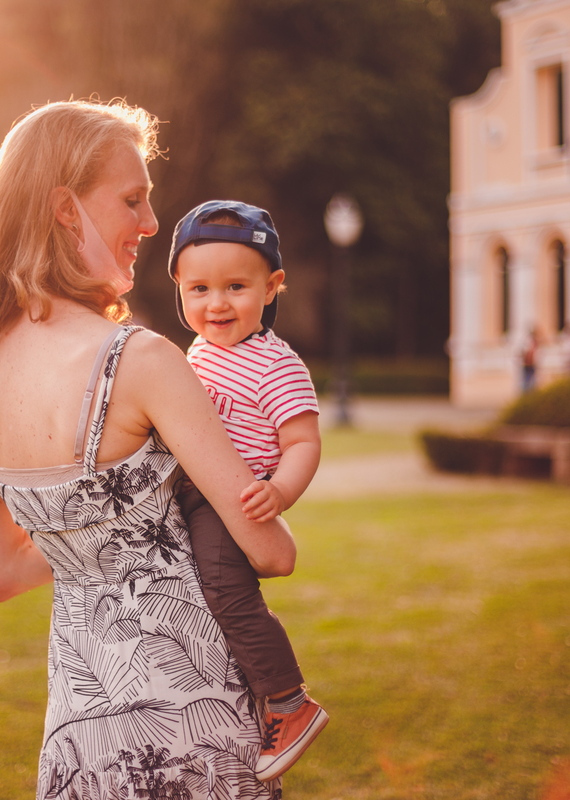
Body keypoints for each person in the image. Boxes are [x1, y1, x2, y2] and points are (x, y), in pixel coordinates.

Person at [0, 100, 295, 799]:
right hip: (193, 726)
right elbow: (271, 552)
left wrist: (100, 540)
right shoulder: (140, 360)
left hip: (81, 740)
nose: (151, 224)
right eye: (132, 200)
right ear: (66, 209)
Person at [167, 200, 330, 781]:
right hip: (190, 491)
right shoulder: (197, 352)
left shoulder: (275, 365)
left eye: (235, 286)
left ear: (271, 287)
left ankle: (288, 701)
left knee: (229, 594)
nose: (216, 304)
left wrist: (280, 492)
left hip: (231, 501)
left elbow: (304, 442)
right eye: (199, 289)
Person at [521, 326, 539, 392]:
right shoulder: (530, 341)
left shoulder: (532, 341)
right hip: (528, 364)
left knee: (530, 380)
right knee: (527, 380)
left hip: (530, 364)